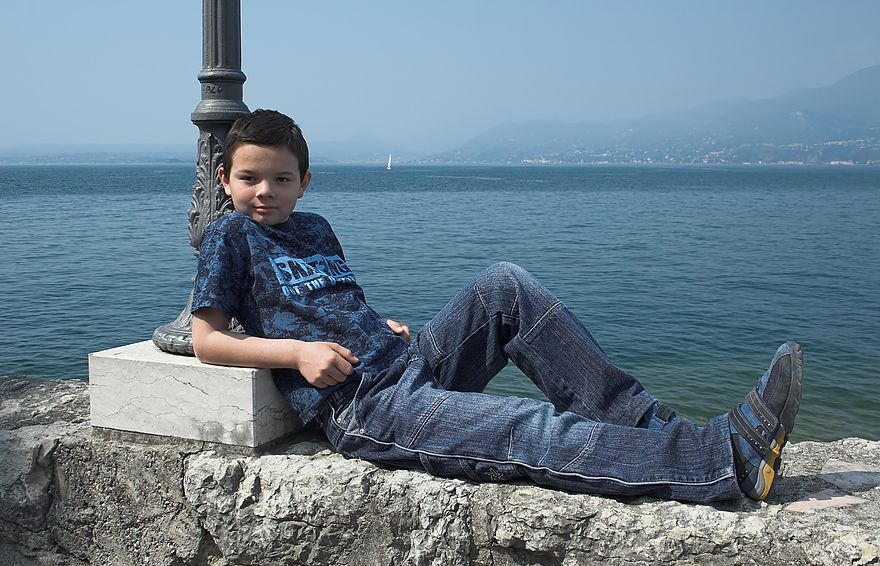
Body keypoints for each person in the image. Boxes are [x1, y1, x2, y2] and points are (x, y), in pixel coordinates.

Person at [191, 109, 804, 504]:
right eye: (248, 178)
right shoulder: (230, 236)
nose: (264, 191)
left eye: (279, 178)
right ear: (225, 180)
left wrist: (379, 326)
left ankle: (662, 433)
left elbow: (324, 300)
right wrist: (297, 353)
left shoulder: (316, 227)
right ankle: (720, 462)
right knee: (521, 425)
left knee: (505, 285)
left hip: (401, 361)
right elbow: (207, 340)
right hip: (361, 405)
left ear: (305, 181)